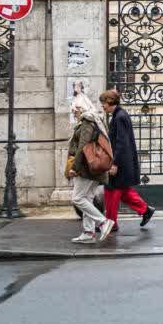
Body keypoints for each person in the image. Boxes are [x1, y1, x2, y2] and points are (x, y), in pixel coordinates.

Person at [99, 88, 153, 231]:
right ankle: (145, 210)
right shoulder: (118, 115)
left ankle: (111, 223)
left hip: (120, 162)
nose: (102, 106)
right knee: (122, 191)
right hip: (122, 161)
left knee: (112, 191)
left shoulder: (119, 117)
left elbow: (121, 143)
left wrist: (115, 164)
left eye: (103, 103)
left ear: (110, 101)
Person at [66, 95, 113, 243]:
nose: (73, 112)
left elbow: (83, 146)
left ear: (83, 108)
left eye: (75, 109)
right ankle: (88, 233)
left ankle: (103, 222)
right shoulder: (95, 120)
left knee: (77, 198)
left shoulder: (88, 121)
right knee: (87, 199)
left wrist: (75, 167)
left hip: (87, 168)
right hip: (94, 167)